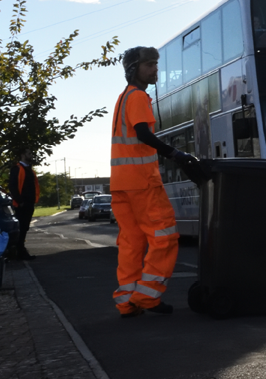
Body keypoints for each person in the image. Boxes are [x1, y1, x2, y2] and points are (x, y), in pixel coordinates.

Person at [110, 46, 199, 319]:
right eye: (149, 65)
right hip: (142, 182)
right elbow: (142, 134)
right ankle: (148, 296)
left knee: (131, 241)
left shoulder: (123, 98)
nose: (155, 70)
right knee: (166, 236)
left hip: (121, 184)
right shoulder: (137, 97)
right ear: (134, 69)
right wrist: (176, 154)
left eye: (155, 65)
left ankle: (127, 301)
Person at [6, 150, 40, 260]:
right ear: (22, 154)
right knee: (21, 227)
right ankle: (19, 252)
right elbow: (13, 186)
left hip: (29, 203)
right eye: (29, 153)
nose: (31, 155)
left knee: (24, 228)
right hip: (21, 204)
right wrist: (20, 201)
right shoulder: (17, 169)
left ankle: (20, 250)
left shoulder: (30, 170)